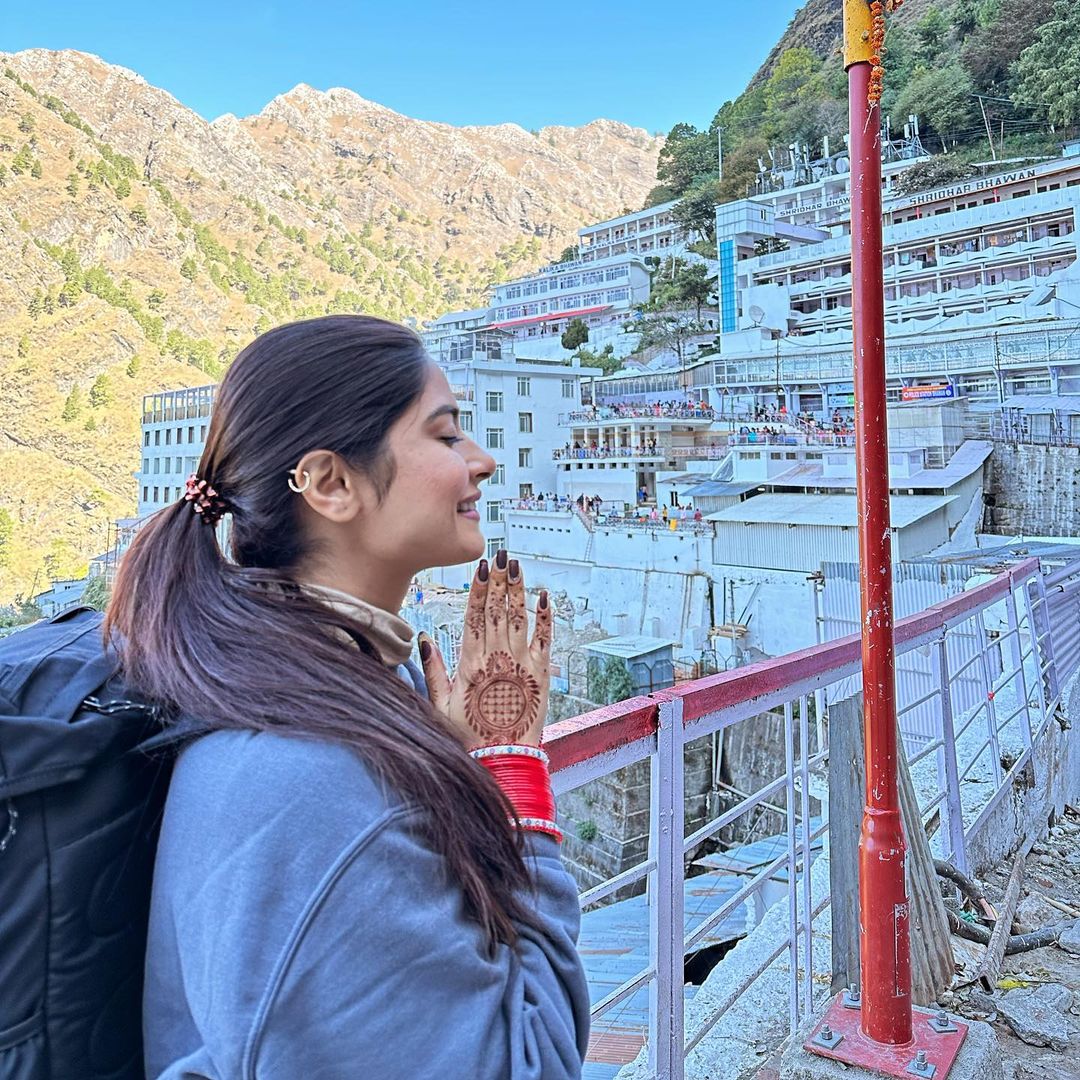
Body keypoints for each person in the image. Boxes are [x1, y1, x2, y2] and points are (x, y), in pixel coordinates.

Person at [105, 316, 590, 1079]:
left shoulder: (315, 685)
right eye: (446, 436)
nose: (484, 461)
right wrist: (513, 773)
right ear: (332, 484)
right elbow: (528, 1064)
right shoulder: (312, 780)